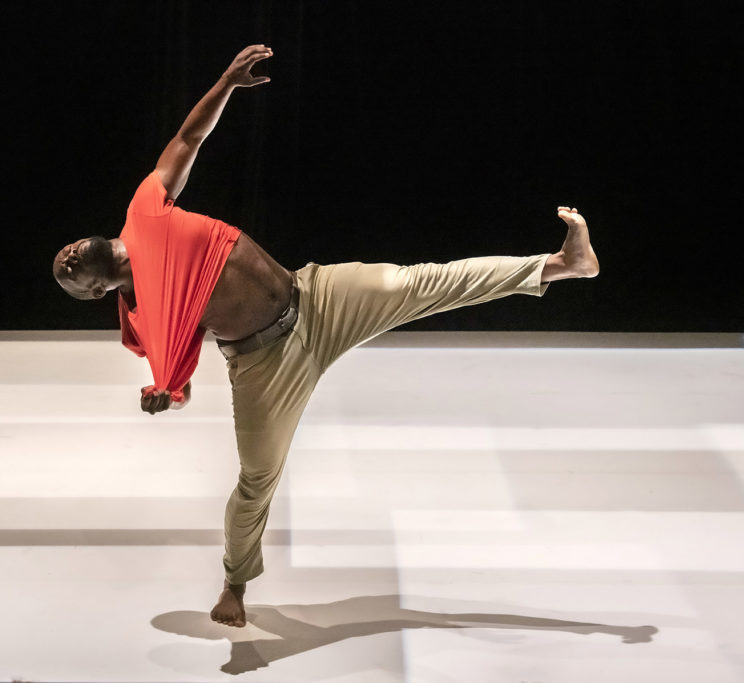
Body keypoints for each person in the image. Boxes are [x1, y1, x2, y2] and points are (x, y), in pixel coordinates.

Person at [53, 45, 599, 628]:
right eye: (66, 272)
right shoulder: (141, 312)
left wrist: (226, 83)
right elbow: (174, 384)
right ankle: (235, 582)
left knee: (420, 282)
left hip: (314, 298)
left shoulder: (145, 210)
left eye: (64, 254)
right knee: (257, 479)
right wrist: (164, 398)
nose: (66, 257)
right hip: (265, 365)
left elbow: (188, 139)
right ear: (94, 291)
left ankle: (562, 265)